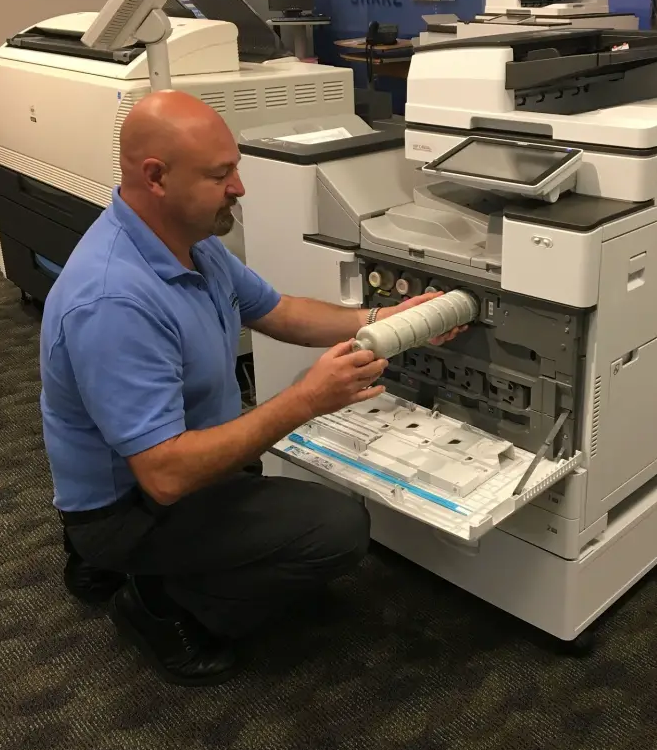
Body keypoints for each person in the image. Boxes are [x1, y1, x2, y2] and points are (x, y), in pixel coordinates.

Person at [40, 90, 463, 686]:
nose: (240, 188)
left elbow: (280, 310)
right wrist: (306, 400)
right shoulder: (113, 302)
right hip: (130, 504)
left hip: (167, 471)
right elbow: (165, 476)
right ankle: (159, 606)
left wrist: (389, 321)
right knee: (337, 531)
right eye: (221, 175)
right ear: (156, 178)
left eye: (235, 167)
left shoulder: (189, 242)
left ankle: (139, 566)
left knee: (267, 498)